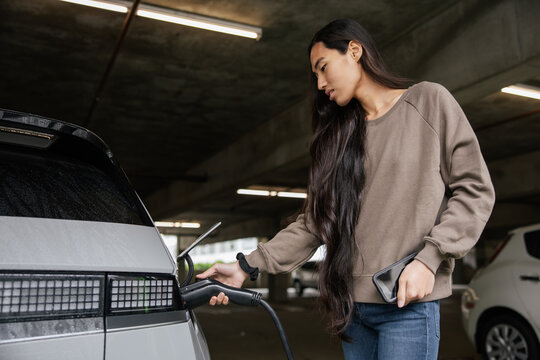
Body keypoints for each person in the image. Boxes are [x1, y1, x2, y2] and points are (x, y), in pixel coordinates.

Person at [197, 18, 495, 359]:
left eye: (323, 68)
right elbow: (315, 223)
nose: (320, 83)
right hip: (352, 312)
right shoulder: (339, 137)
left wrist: (429, 260)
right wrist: (246, 266)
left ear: (354, 51)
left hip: (407, 307)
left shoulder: (428, 102)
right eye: (315, 76)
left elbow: (475, 189)